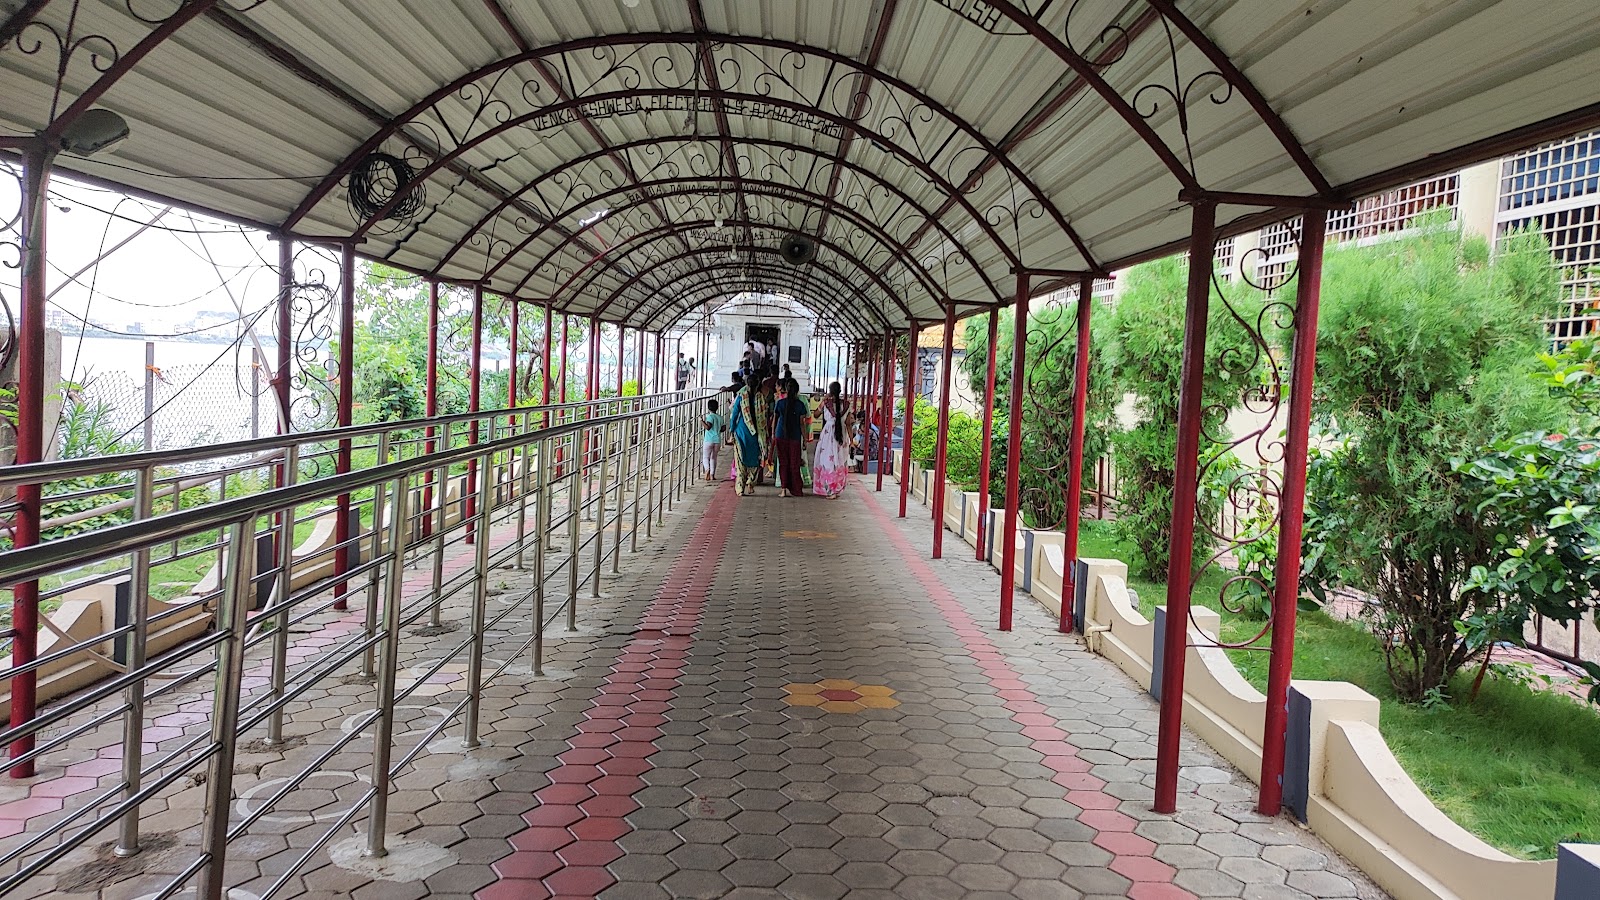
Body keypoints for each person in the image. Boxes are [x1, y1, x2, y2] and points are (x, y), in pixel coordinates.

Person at [812, 381, 852, 499]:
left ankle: (831, 490)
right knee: (839, 461)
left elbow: (816, 415)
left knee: (827, 462)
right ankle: (836, 489)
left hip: (828, 435)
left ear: (830, 391)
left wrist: (823, 400)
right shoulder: (847, 405)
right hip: (842, 436)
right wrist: (851, 439)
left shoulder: (826, 403)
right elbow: (848, 423)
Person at [772, 379, 808, 497]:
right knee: (794, 463)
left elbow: (775, 419)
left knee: (783, 463)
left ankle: (783, 490)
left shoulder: (780, 403)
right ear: (797, 391)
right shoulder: (800, 405)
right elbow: (802, 423)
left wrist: (773, 434)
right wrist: (805, 438)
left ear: (785, 390)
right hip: (795, 436)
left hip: (780, 435)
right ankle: (797, 489)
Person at [728, 375, 762, 495]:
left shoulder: (742, 397)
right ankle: (751, 483)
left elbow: (734, 415)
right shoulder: (760, 398)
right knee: (754, 459)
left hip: (742, 432)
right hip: (756, 433)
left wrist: (731, 430)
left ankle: (740, 488)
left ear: (747, 384)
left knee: (740, 459)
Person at [701, 398, 724, 482]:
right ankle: (712, 475)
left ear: (708, 408)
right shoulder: (720, 417)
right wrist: (717, 429)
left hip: (708, 440)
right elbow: (723, 428)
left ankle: (707, 469)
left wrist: (702, 421)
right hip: (717, 440)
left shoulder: (710, 416)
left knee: (705, 457)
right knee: (714, 458)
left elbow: (708, 427)